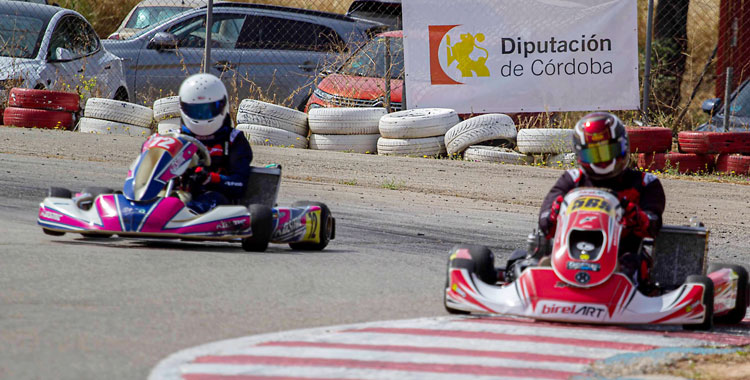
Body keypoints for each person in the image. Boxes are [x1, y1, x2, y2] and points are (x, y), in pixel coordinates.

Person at [537, 112, 666, 286]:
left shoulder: (645, 183)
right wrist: (554, 214)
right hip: (567, 254)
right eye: (593, 155)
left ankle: (623, 291)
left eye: (607, 152)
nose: (602, 162)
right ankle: (544, 285)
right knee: (530, 262)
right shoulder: (572, 180)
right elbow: (544, 223)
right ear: (581, 154)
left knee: (634, 265)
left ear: (622, 146)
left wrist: (634, 215)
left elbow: (653, 225)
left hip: (623, 255)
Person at [177, 73, 252, 214]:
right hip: (176, 195)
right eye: (195, 110)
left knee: (213, 199)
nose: (202, 116)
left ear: (222, 106)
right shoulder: (176, 137)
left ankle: (190, 214)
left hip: (214, 197)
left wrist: (210, 178)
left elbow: (240, 185)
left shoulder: (233, 139)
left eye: (208, 110)